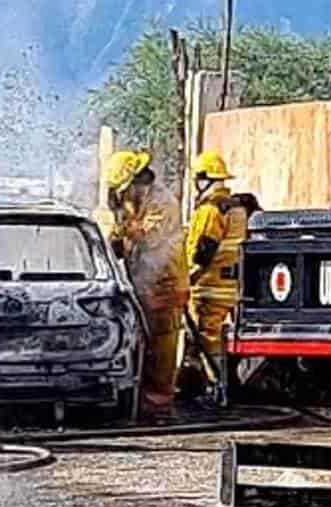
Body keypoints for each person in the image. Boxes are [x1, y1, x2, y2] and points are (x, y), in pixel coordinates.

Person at [105, 150, 188, 418]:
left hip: (164, 283)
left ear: (136, 183)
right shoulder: (138, 202)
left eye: (123, 191)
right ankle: (142, 401)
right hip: (142, 284)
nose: (122, 197)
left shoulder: (162, 202)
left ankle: (159, 407)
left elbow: (149, 240)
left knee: (161, 349)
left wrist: (122, 224)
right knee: (143, 343)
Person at [181, 150, 249, 400]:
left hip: (209, 286)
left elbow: (203, 252)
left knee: (206, 336)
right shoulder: (236, 208)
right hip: (232, 285)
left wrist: (187, 279)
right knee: (221, 336)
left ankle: (217, 388)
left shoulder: (210, 210)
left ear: (203, 179)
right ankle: (219, 385)